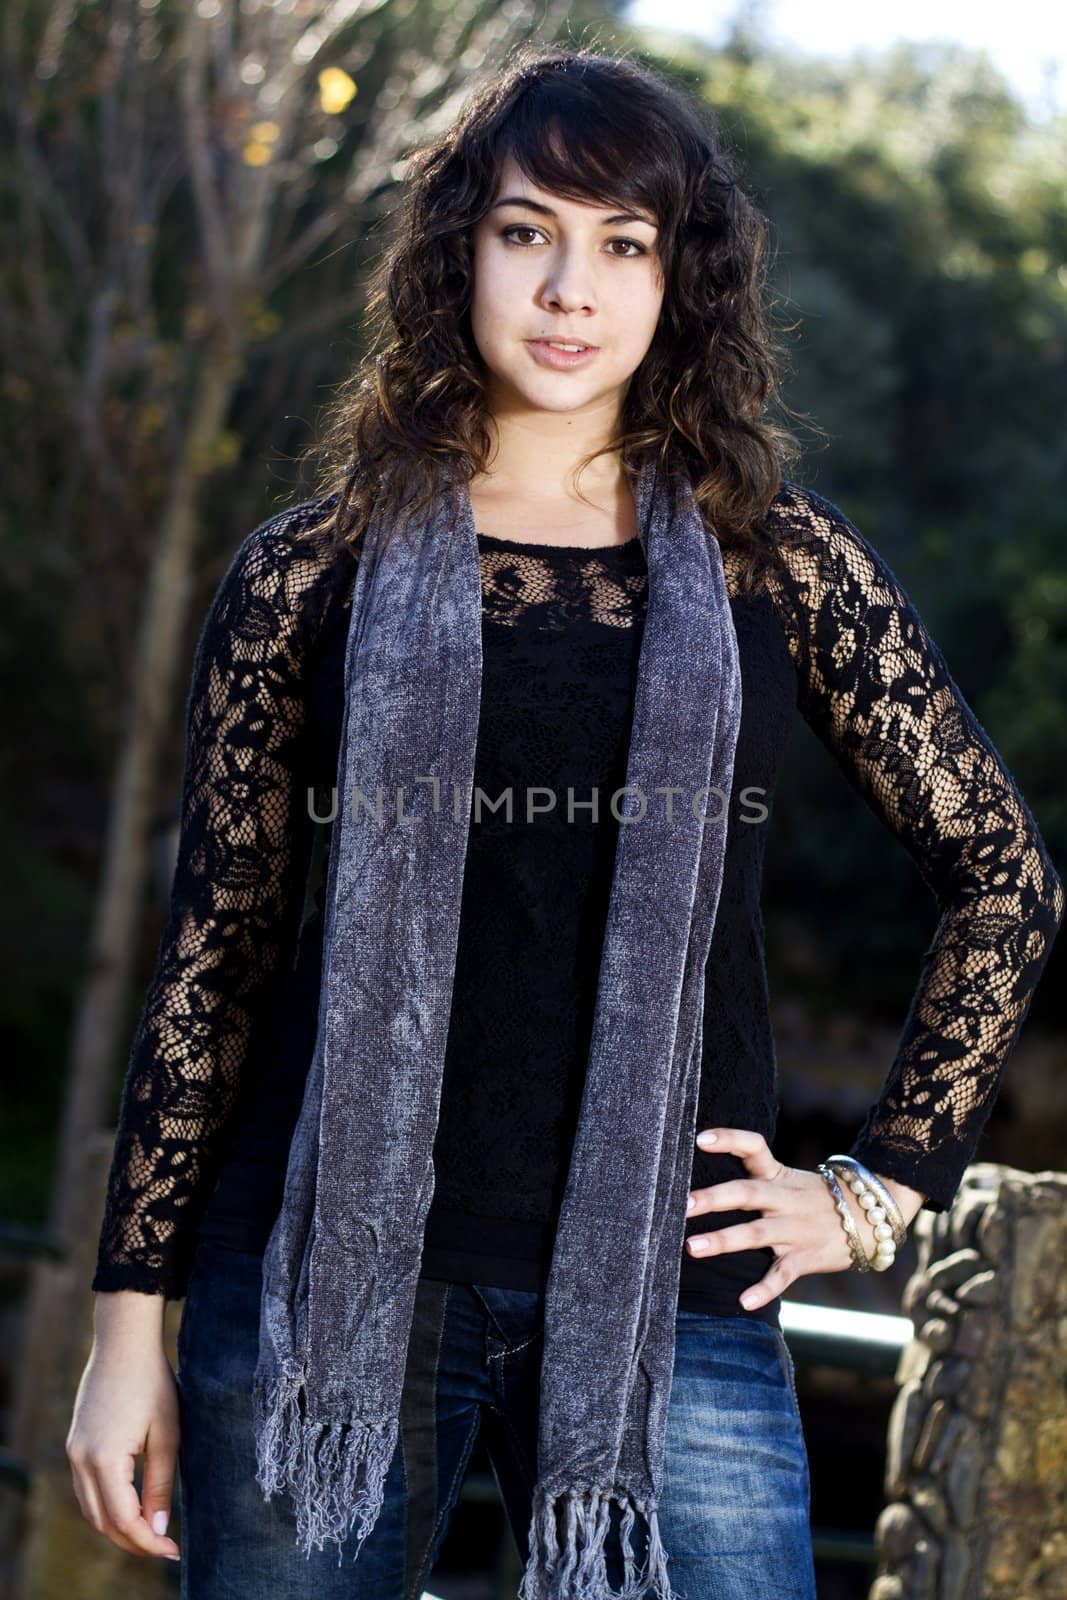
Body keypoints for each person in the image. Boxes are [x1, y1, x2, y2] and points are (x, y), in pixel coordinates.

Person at [67, 42, 1062, 1600]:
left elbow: (1006, 880)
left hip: (674, 1290)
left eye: (624, 245)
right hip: (325, 1292)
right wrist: (129, 1325)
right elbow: (219, 961)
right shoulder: (304, 572)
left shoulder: (779, 567)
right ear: (461, 248)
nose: (568, 290)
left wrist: (874, 1191)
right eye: (527, 232)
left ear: (680, 283)